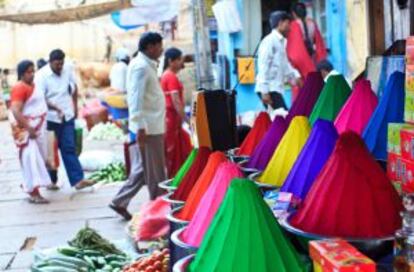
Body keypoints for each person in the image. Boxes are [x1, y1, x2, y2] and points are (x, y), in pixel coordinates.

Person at [110, 32, 167, 220]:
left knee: (145, 169)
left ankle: (119, 201)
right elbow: (135, 99)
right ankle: (157, 214)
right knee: (156, 174)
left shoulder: (145, 65)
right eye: (159, 45)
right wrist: (141, 127)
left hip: (151, 125)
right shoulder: (141, 67)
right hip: (148, 128)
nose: (161, 49)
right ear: (150, 47)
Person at [35, 49, 94, 190]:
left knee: (69, 147)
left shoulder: (68, 68)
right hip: (50, 118)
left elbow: (74, 88)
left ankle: (77, 180)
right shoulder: (41, 76)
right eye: (57, 64)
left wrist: (74, 108)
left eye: (61, 64)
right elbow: (40, 99)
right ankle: (51, 180)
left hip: (67, 116)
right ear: (50, 62)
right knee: (50, 150)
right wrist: (55, 108)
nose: (59, 67)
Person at [9, 60, 51, 203]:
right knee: (31, 160)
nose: (32, 74)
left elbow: (42, 102)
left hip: (38, 127)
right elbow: (15, 110)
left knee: (40, 159)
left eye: (33, 71)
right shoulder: (20, 88)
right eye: (28, 72)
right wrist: (28, 127)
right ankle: (34, 193)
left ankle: (30, 186)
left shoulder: (34, 86)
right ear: (21, 74)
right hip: (27, 130)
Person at [256, 11, 301, 110]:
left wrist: (295, 78)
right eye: (288, 24)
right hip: (269, 89)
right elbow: (263, 66)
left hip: (275, 88)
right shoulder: (269, 41)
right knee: (283, 118)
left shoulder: (281, 42)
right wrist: (264, 91)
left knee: (280, 119)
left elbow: (285, 65)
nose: (290, 28)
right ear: (280, 23)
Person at [160, 47, 192, 178]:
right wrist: (187, 120)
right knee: (174, 154)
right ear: (170, 61)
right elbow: (176, 102)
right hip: (172, 120)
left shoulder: (166, 75)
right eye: (179, 60)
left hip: (172, 120)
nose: (181, 63)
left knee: (180, 150)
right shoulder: (171, 77)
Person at [287, 3, 327, 78]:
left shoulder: (293, 25)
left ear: (294, 14)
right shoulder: (312, 23)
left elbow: (295, 52)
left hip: (301, 66)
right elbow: (319, 45)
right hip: (313, 60)